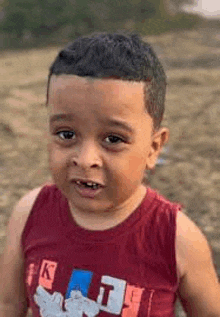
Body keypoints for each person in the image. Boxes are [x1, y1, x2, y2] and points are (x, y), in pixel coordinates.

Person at [0, 32, 219, 317]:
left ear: (153, 148)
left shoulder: (177, 238)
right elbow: (8, 304)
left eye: (113, 139)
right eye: (66, 134)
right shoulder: (30, 213)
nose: (85, 159)